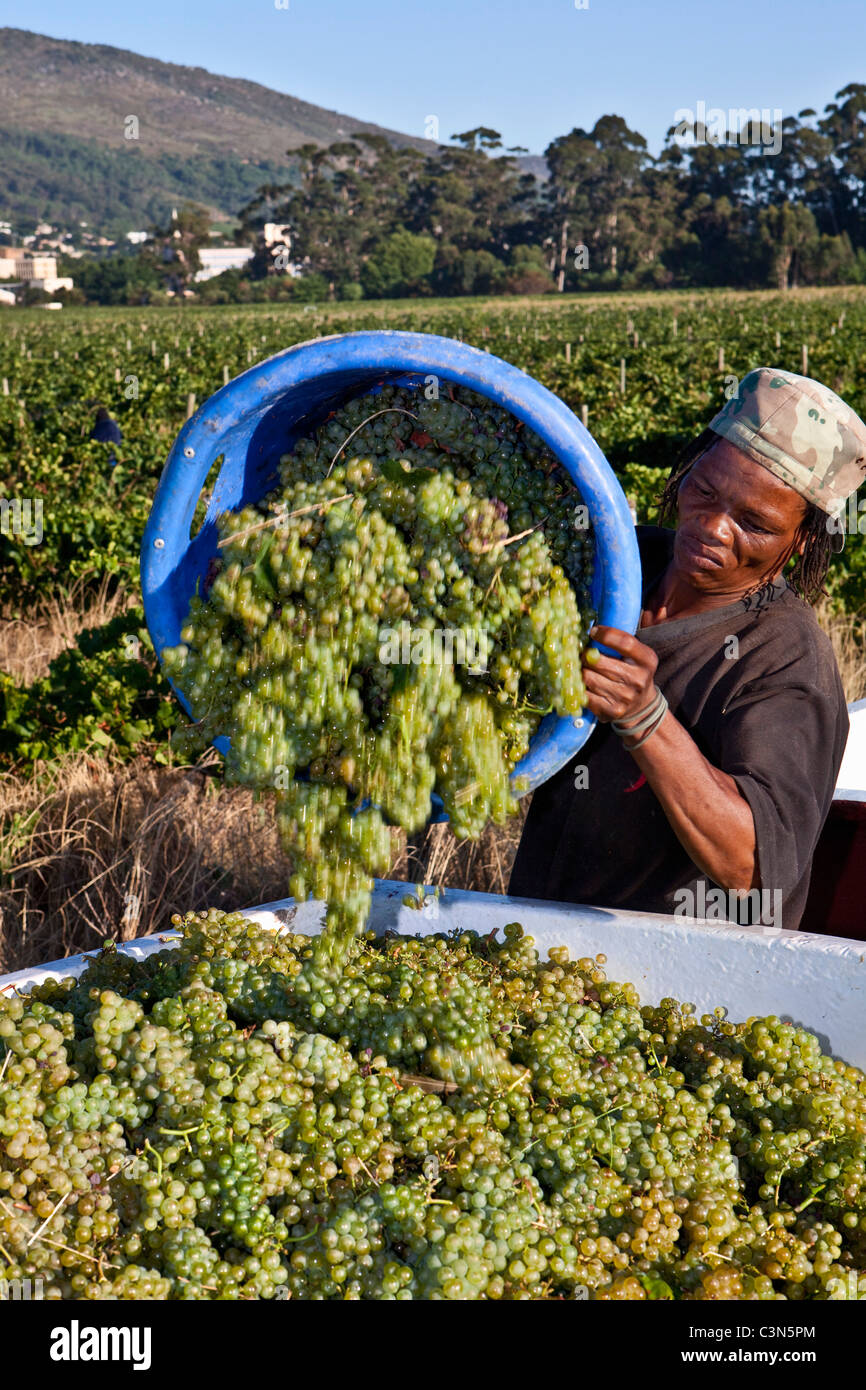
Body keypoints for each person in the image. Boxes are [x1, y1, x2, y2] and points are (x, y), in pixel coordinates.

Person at [509, 367, 866, 931]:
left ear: (800, 540)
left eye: (755, 523)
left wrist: (645, 717)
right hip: (539, 942)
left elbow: (752, 867)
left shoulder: (787, 662)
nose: (713, 528)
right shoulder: (614, 566)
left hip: (678, 988)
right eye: (704, 491)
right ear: (686, 470)